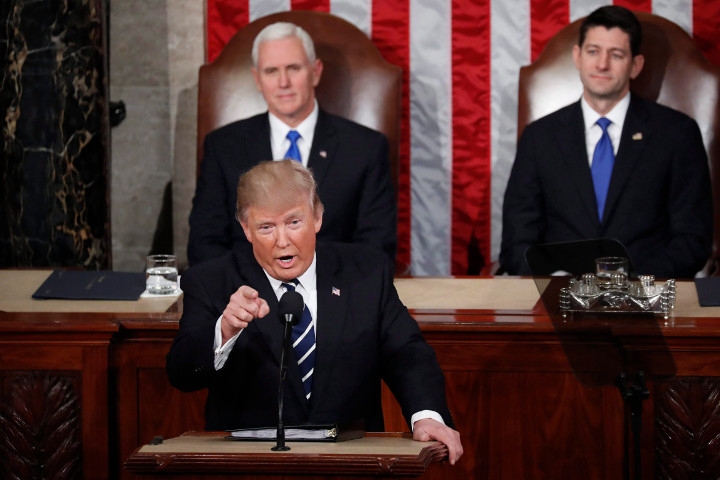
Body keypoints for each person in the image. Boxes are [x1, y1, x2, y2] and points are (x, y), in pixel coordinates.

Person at [168, 160, 463, 464]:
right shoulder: (211, 281)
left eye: (294, 222)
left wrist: (427, 415)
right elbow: (181, 374)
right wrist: (225, 329)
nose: (282, 240)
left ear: (318, 218)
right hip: (252, 467)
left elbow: (406, 353)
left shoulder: (365, 271)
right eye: (266, 227)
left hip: (352, 463)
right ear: (246, 229)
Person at [500, 6, 712, 278]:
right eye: (593, 51)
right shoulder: (539, 137)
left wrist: (631, 285)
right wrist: (555, 281)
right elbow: (516, 241)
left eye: (616, 54)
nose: (602, 64)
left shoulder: (677, 134)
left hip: (646, 300)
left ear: (636, 65)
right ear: (577, 57)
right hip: (560, 302)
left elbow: (692, 239)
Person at [187, 21, 397, 267]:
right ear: (257, 78)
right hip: (246, 295)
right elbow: (204, 244)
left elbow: (376, 247)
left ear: (315, 72)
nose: (283, 82)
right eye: (271, 71)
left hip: (334, 294)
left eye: (293, 68)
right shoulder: (223, 146)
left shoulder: (365, 148)